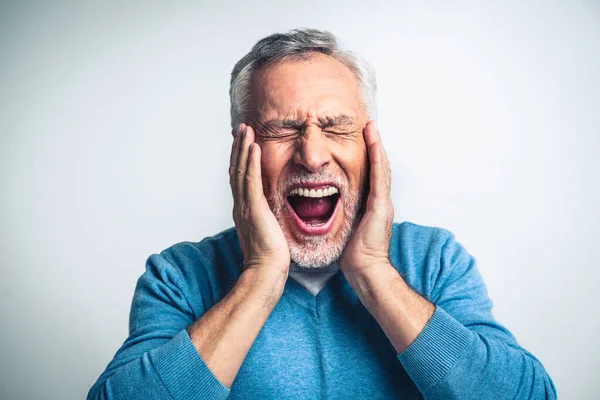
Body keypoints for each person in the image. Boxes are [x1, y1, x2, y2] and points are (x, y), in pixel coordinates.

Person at [87, 28, 557, 400]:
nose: (312, 156)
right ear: (240, 153)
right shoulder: (179, 276)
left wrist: (373, 273)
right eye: (283, 129)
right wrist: (259, 279)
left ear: (371, 146)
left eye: (336, 127)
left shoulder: (435, 260)